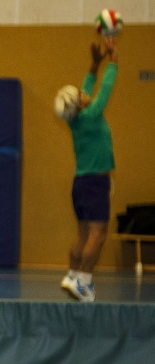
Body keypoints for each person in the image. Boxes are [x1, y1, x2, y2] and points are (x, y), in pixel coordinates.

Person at [55, 37, 118, 302]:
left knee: (83, 233)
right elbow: (105, 88)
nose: (84, 92)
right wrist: (113, 60)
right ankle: (84, 281)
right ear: (80, 104)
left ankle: (72, 275)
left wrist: (94, 63)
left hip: (80, 183)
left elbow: (88, 86)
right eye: (80, 94)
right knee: (98, 234)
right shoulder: (91, 114)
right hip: (94, 183)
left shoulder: (75, 119)